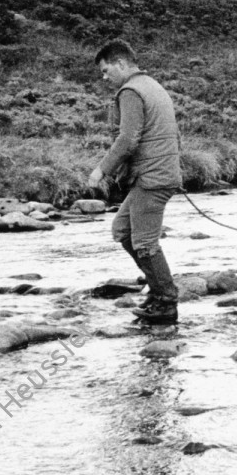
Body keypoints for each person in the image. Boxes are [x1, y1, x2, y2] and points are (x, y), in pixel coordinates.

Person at [87, 40, 183, 326]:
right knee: (122, 229)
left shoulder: (130, 91)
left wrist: (101, 170)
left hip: (152, 178)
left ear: (121, 64)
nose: (104, 78)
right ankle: (158, 292)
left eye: (105, 71)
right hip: (159, 174)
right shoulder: (152, 85)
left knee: (144, 242)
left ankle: (165, 301)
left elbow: (128, 139)